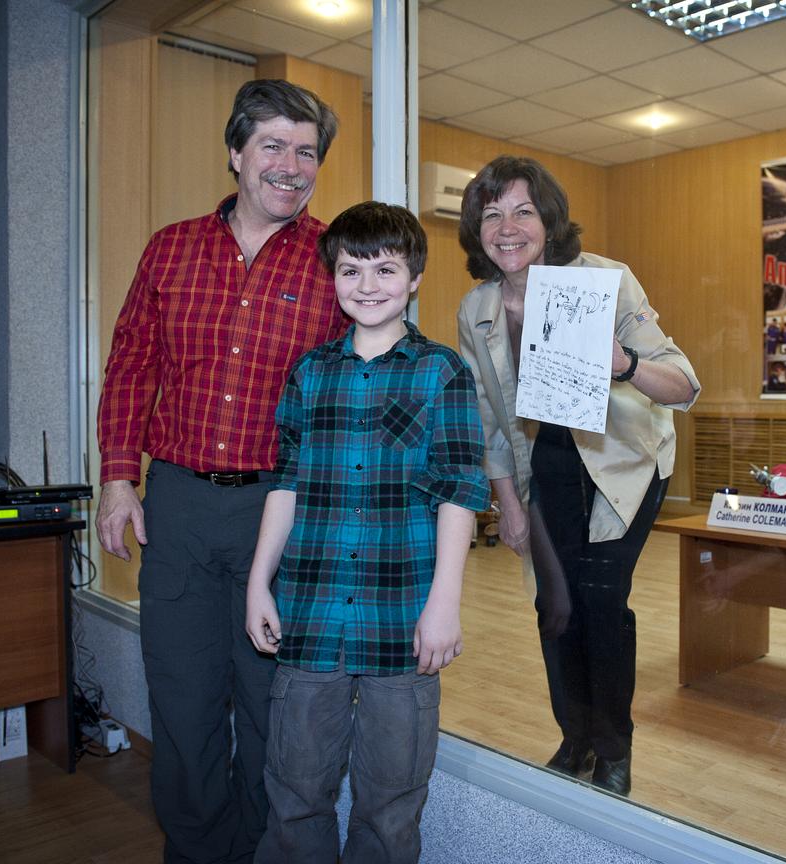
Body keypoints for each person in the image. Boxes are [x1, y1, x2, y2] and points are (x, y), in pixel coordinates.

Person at [95, 79, 346, 863]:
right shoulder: (171, 248)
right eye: (272, 145)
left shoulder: (335, 260)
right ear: (235, 152)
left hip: (285, 517)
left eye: (307, 152)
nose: (291, 165)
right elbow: (132, 362)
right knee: (184, 705)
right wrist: (116, 477)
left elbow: (358, 379)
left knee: (275, 714)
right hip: (179, 509)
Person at [245, 202, 490, 864]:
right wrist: (257, 585)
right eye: (351, 270)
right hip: (311, 617)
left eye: (386, 269)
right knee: (295, 792)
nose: (368, 284)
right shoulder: (310, 372)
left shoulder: (441, 372)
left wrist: (444, 603)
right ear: (333, 277)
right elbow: (288, 482)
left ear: (414, 278)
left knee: (391, 803)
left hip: (402, 623)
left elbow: (461, 490)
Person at [455, 155, 700, 797]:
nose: (508, 228)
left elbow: (683, 385)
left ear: (549, 220)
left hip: (625, 463)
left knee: (599, 597)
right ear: (476, 230)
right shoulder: (476, 309)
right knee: (554, 606)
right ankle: (575, 737)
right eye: (492, 214)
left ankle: (612, 749)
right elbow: (487, 421)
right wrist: (506, 504)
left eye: (523, 211)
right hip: (546, 467)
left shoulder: (606, 281)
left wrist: (622, 362)